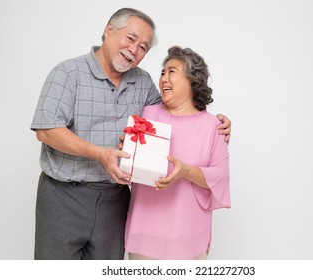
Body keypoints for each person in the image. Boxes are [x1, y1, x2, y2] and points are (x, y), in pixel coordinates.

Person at [30, 8, 231, 260]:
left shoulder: (143, 83)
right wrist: (99, 154)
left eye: (144, 47)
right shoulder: (68, 73)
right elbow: (46, 130)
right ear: (109, 30)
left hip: (115, 202)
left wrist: (218, 122)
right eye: (131, 38)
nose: (134, 50)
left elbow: (176, 110)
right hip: (65, 196)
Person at [125, 46, 230, 260]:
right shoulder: (146, 114)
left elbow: (220, 176)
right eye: (162, 72)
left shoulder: (213, 126)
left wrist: (185, 171)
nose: (163, 78)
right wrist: (126, 148)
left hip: (189, 236)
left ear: (193, 80)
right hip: (144, 233)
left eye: (171, 71)